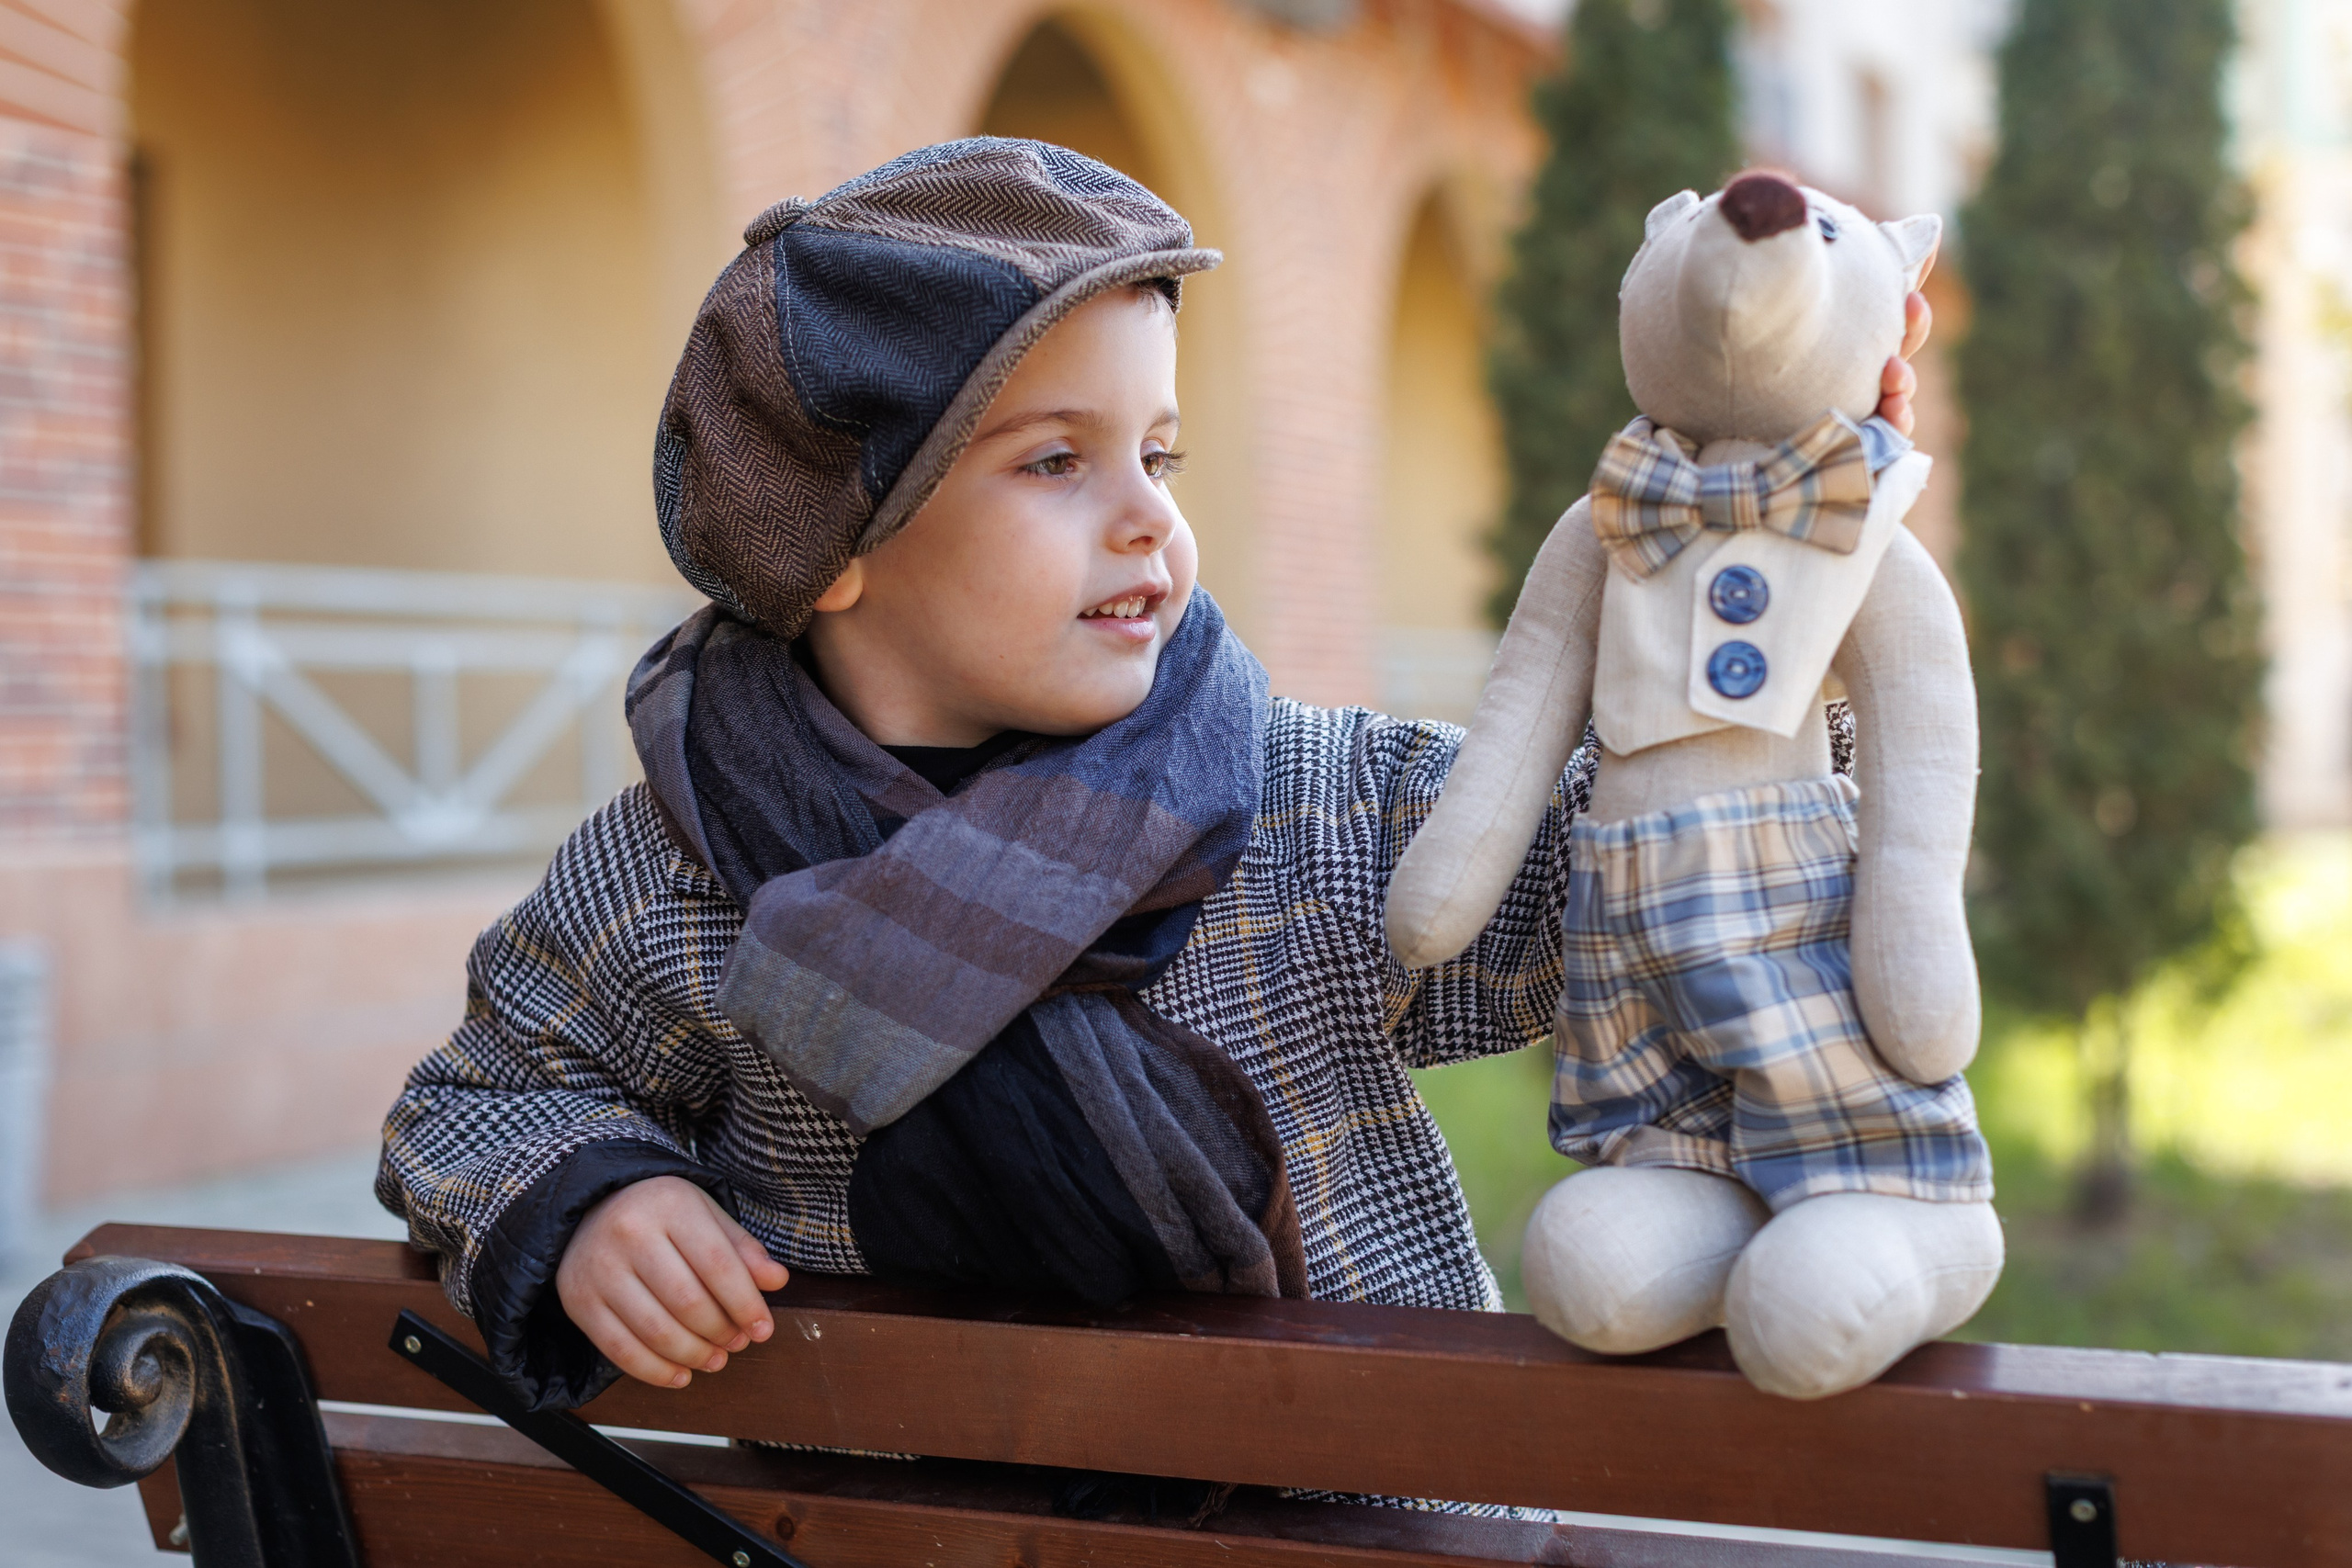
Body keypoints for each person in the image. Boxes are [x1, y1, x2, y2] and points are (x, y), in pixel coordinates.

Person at [376, 138, 1931, 1416]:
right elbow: (482, 1100)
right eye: (1059, 461)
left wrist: (1772, 602)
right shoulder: (677, 870)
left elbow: (1613, 894)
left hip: (1359, 1522)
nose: (1146, 521)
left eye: (1160, 457)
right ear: (830, 548)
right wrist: (588, 1198)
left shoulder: (1303, 800)